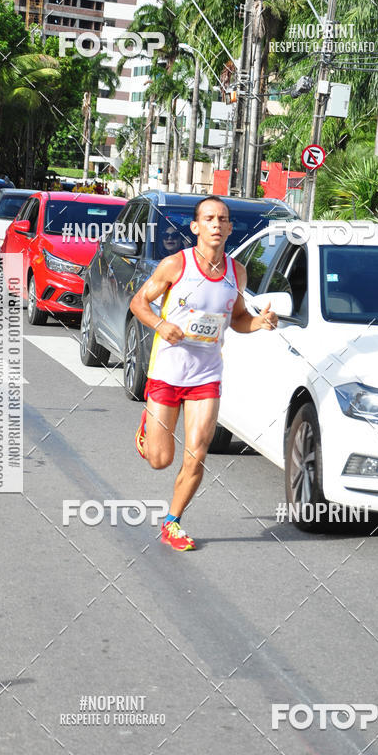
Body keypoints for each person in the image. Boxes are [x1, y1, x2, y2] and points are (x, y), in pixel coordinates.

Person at [129, 195, 278, 551]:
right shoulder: (175, 266)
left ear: (229, 228)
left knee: (197, 451)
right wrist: (161, 325)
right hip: (167, 372)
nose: (216, 223)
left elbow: (238, 318)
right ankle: (147, 430)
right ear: (196, 227)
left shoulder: (236, 272)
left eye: (222, 218)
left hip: (206, 377)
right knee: (159, 460)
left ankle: (172, 521)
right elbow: (138, 303)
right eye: (208, 218)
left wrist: (260, 322)